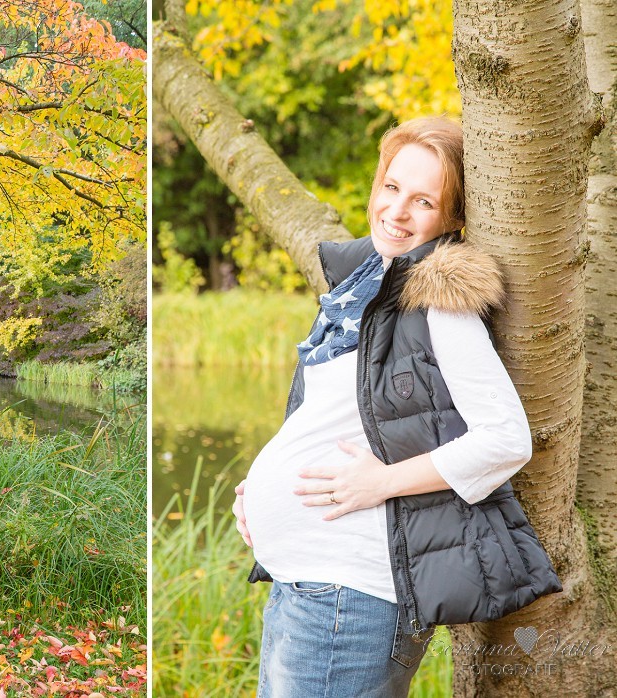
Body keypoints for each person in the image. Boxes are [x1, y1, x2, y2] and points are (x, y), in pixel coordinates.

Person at [231, 116, 561, 697]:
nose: (397, 211)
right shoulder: (362, 289)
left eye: (424, 201)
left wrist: (379, 483)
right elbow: (337, 418)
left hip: (350, 598)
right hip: (305, 586)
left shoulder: (438, 300)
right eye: (391, 187)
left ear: (452, 218)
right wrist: (258, 493)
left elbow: (505, 438)